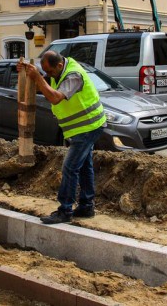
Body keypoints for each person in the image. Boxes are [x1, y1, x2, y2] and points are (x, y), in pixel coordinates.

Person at [18, 51, 106, 224]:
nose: (47, 75)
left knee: (70, 167)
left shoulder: (74, 75)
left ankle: (65, 210)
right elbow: (42, 87)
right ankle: (87, 206)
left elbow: (55, 97)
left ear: (58, 65)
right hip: (82, 128)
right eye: (45, 72)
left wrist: (38, 76)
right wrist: (28, 73)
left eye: (49, 72)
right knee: (84, 166)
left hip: (88, 127)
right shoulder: (58, 72)